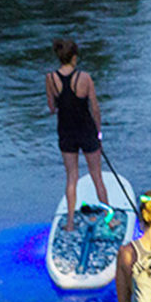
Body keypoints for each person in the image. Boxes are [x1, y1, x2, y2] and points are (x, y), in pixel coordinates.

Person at [46, 37, 110, 227]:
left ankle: (71, 222)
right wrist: (98, 133)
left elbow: (51, 107)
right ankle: (108, 220)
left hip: (66, 132)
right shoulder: (85, 78)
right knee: (96, 175)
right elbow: (95, 109)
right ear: (74, 57)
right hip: (86, 131)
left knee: (71, 177)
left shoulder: (50, 78)